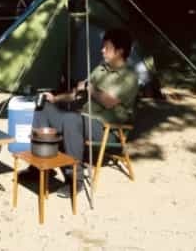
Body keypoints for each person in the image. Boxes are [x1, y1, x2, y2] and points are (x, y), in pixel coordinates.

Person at [28, 27, 140, 197]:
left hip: (107, 129)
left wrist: (89, 87)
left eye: (106, 47)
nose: (102, 50)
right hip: (84, 121)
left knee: (72, 120)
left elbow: (108, 102)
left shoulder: (129, 77)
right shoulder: (100, 69)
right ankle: (41, 167)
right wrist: (54, 99)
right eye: (103, 47)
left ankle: (75, 180)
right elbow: (76, 94)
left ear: (119, 51)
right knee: (43, 107)